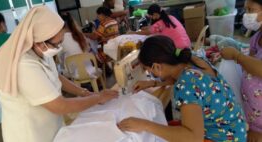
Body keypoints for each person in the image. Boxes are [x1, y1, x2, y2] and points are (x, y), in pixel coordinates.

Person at [0, 6, 118, 142]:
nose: (59, 47)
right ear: (39, 40)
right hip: (30, 134)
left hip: (49, 125)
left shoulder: (41, 49)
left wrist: (84, 92)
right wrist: (97, 98)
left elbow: (56, 76)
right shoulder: (23, 65)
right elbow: (59, 106)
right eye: (57, 44)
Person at [118, 35, 247, 142]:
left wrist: (144, 125)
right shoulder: (192, 59)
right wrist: (153, 83)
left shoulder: (185, 85)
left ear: (157, 67)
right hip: (235, 128)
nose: (149, 74)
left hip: (223, 138)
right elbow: (178, 78)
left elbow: (193, 137)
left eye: (147, 70)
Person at [222, 0, 262, 141]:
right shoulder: (256, 37)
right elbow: (250, 64)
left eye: (251, 10)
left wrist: (236, 56)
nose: (246, 15)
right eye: (246, 10)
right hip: (253, 116)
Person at [57, 12, 96, 78]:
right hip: (90, 70)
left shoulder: (60, 39)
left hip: (74, 73)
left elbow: (59, 59)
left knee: (59, 69)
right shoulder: (80, 35)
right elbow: (88, 49)